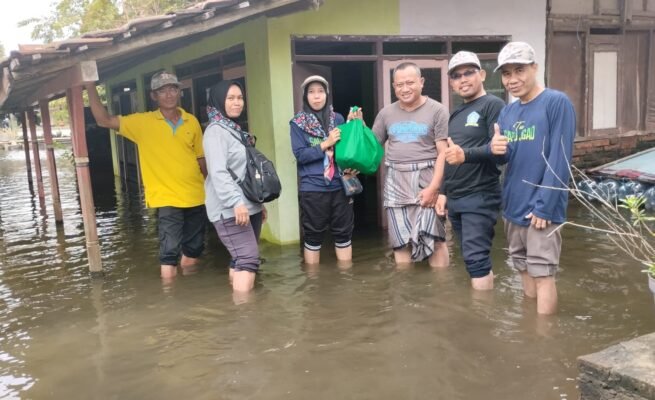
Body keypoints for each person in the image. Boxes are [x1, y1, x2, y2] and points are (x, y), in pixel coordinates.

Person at [85, 71, 207, 281]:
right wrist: (89, 86)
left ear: (179, 91)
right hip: (167, 199)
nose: (169, 94)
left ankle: (188, 290)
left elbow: (200, 157)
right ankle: (170, 296)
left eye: (173, 89)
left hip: (197, 196)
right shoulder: (143, 123)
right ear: (154, 96)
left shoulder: (192, 121)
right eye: (162, 90)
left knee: (193, 251)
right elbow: (104, 120)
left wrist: (210, 186)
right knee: (169, 256)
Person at [490, 42, 576, 314]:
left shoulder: (556, 102)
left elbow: (560, 158)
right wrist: (496, 149)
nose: (512, 80)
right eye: (506, 74)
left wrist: (545, 206)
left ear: (534, 68)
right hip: (513, 204)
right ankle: (530, 326)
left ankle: (544, 333)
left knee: (543, 272)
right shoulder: (508, 111)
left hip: (542, 209)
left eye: (519, 70)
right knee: (522, 267)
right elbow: (507, 158)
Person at [436, 51, 506, 290]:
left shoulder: (493, 105)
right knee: (472, 258)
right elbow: (450, 156)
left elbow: (500, 152)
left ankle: (481, 311)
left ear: (482, 75)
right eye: (456, 76)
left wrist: (465, 155)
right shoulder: (456, 113)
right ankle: (484, 304)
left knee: (476, 259)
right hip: (456, 197)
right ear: (451, 83)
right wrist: (443, 192)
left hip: (479, 195)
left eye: (469, 73)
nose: (463, 79)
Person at [372, 62, 449, 267]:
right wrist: (356, 125)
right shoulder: (385, 114)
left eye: (410, 83)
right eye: (399, 85)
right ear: (393, 86)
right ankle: (404, 284)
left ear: (421, 82)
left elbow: (443, 153)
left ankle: (441, 284)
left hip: (427, 178)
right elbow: (372, 146)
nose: (404, 89)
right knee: (400, 243)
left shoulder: (438, 110)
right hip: (395, 179)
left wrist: (435, 188)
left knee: (435, 238)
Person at [290, 75, 359, 265]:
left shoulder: (337, 119)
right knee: (313, 237)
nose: (316, 96)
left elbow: (347, 150)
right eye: (311, 92)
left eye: (320, 91)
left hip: (340, 186)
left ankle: (346, 278)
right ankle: (313, 280)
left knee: (344, 234)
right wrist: (325, 143)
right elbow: (301, 155)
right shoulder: (297, 123)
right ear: (305, 96)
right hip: (313, 189)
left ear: (327, 95)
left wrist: (354, 125)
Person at [204, 81, 265, 293]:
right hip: (230, 208)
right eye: (230, 98)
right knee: (248, 258)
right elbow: (218, 172)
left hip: (248, 205)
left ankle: (237, 303)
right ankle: (245, 309)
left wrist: (259, 204)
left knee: (240, 258)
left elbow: (245, 171)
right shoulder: (215, 132)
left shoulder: (233, 129)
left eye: (240, 98)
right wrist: (236, 202)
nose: (237, 102)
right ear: (219, 101)